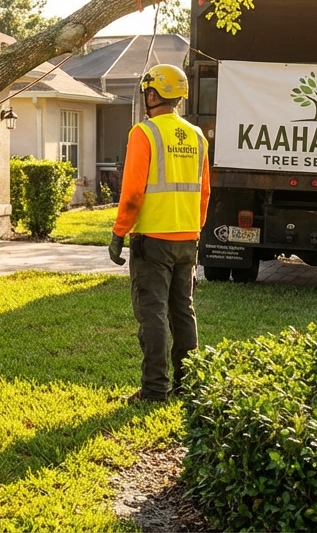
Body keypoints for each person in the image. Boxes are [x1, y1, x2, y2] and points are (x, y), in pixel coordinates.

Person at [108, 64, 211, 404]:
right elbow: (205, 192)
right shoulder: (197, 135)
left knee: (152, 314)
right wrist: (194, 229)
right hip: (187, 238)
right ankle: (187, 385)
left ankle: (154, 390)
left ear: (152, 94)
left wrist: (119, 232)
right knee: (183, 311)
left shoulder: (144, 133)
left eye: (146, 92)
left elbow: (133, 191)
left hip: (153, 240)